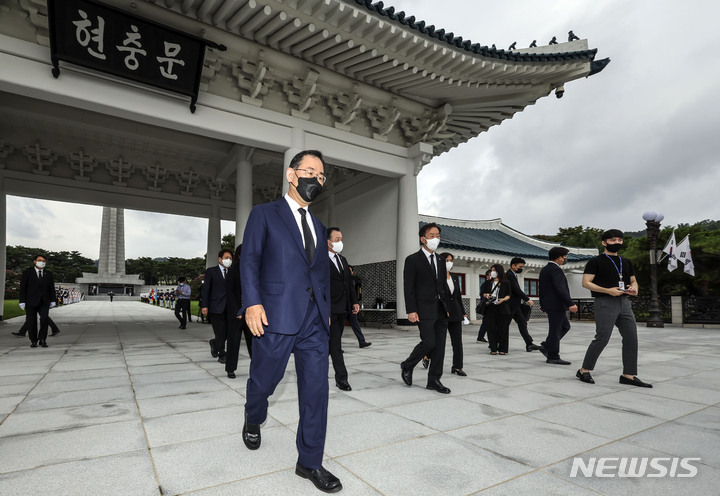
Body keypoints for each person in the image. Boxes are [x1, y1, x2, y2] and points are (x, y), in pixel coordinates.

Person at [240, 150, 342, 493]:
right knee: (263, 382)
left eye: (322, 175)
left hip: (314, 322)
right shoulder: (264, 214)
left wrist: (326, 311)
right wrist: (252, 303)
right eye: (310, 171)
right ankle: (253, 415)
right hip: (275, 316)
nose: (317, 178)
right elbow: (250, 260)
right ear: (292, 174)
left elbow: (321, 274)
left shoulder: (319, 225)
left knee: (316, 391)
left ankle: (310, 462)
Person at [577, 229, 652, 388]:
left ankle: (628, 375)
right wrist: (608, 291)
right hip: (604, 301)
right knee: (602, 337)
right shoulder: (595, 261)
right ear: (604, 242)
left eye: (619, 240)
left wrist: (634, 289)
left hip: (624, 302)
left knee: (631, 337)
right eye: (612, 240)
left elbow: (633, 280)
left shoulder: (626, 262)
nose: (617, 243)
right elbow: (586, 282)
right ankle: (584, 370)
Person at [400, 223, 452, 394]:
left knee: (440, 346)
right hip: (423, 309)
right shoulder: (412, 260)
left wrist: (448, 307)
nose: (435, 238)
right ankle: (408, 365)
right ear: (423, 239)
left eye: (438, 235)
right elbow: (409, 287)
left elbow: (443, 286)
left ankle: (434, 380)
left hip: (441, 309)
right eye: (431, 235)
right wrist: (411, 310)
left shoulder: (441, 260)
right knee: (429, 342)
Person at [327, 227, 360, 391]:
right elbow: (320, 287)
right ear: (328, 242)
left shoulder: (343, 260)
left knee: (331, 344)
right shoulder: (319, 260)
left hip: (343, 309)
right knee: (336, 346)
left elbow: (348, 283)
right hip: (329, 310)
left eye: (341, 239)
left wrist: (354, 301)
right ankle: (342, 378)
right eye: (337, 239)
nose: (340, 242)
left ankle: (313, 367)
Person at [538, 247, 578, 365]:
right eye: (565, 257)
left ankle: (547, 346)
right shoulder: (556, 270)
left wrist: (542, 303)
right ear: (560, 257)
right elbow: (560, 288)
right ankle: (553, 355)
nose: (565, 259)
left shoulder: (545, 269)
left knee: (565, 326)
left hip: (551, 304)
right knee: (555, 330)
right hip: (556, 305)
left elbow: (542, 289)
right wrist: (570, 303)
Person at [201, 249, 235, 365]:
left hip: (229, 308)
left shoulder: (232, 272)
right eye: (226, 258)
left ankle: (215, 343)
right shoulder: (211, 272)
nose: (228, 260)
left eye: (230, 258)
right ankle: (222, 354)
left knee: (227, 332)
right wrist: (204, 305)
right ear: (220, 259)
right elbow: (206, 290)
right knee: (220, 332)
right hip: (215, 307)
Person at [226, 243, 252, 379]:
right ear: (240, 256)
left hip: (251, 314)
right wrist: (237, 311)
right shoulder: (233, 271)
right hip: (236, 314)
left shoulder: (254, 271)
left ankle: (257, 369)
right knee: (233, 342)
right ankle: (230, 369)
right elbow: (229, 293)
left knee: (254, 344)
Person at [19, 254, 56, 348]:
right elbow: (23, 288)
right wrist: (22, 301)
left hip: (44, 301)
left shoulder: (48, 274)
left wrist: (53, 300)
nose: (42, 262)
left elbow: (51, 288)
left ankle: (42, 339)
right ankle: (33, 340)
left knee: (44, 319)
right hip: (30, 301)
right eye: (40, 260)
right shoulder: (27, 273)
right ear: (34, 261)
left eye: (44, 261)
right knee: (31, 321)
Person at [440, 252, 467, 376]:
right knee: (438, 341)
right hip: (442, 312)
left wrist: (463, 313)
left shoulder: (455, 277)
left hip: (456, 312)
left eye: (451, 260)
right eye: (446, 260)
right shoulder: (436, 277)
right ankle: (427, 356)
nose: (449, 262)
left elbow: (458, 297)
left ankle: (457, 366)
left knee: (457, 341)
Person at [507, 257, 541, 352]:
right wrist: (527, 299)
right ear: (513, 266)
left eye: (522, 267)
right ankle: (497, 343)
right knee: (505, 325)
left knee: (523, 323)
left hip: (516, 306)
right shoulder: (509, 275)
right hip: (510, 305)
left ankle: (529, 344)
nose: (521, 269)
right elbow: (515, 289)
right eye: (520, 267)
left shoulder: (513, 275)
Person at [481, 264, 512, 355]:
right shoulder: (488, 282)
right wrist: (486, 295)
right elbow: (483, 293)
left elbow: (509, 295)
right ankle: (493, 348)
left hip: (502, 307)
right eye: (491, 270)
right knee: (491, 328)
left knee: (503, 328)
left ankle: (502, 348)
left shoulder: (506, 282)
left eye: (494, 270)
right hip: (490, 307)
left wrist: (503, 299)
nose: (492, 272)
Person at [346, 266, 371, 348]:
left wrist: (355, 303)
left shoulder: (353, 281)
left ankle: (362, 341)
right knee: (338, 328)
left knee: (356, 325)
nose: (348, 272)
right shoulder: (341, 281)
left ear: (353, 272)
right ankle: (336, 346)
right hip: (342, 307)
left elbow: (354, 293)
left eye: (350, 271)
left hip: (351, 307)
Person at [476, 269, 492, 343]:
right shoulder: (485, 284)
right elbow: (482, 296)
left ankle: (481, 337)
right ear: (487, 276)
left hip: (491, 305)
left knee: (486, 322)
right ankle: (480, 337)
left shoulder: (494, 283)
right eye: (490, 275)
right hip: (487, 306)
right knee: (485, 322)